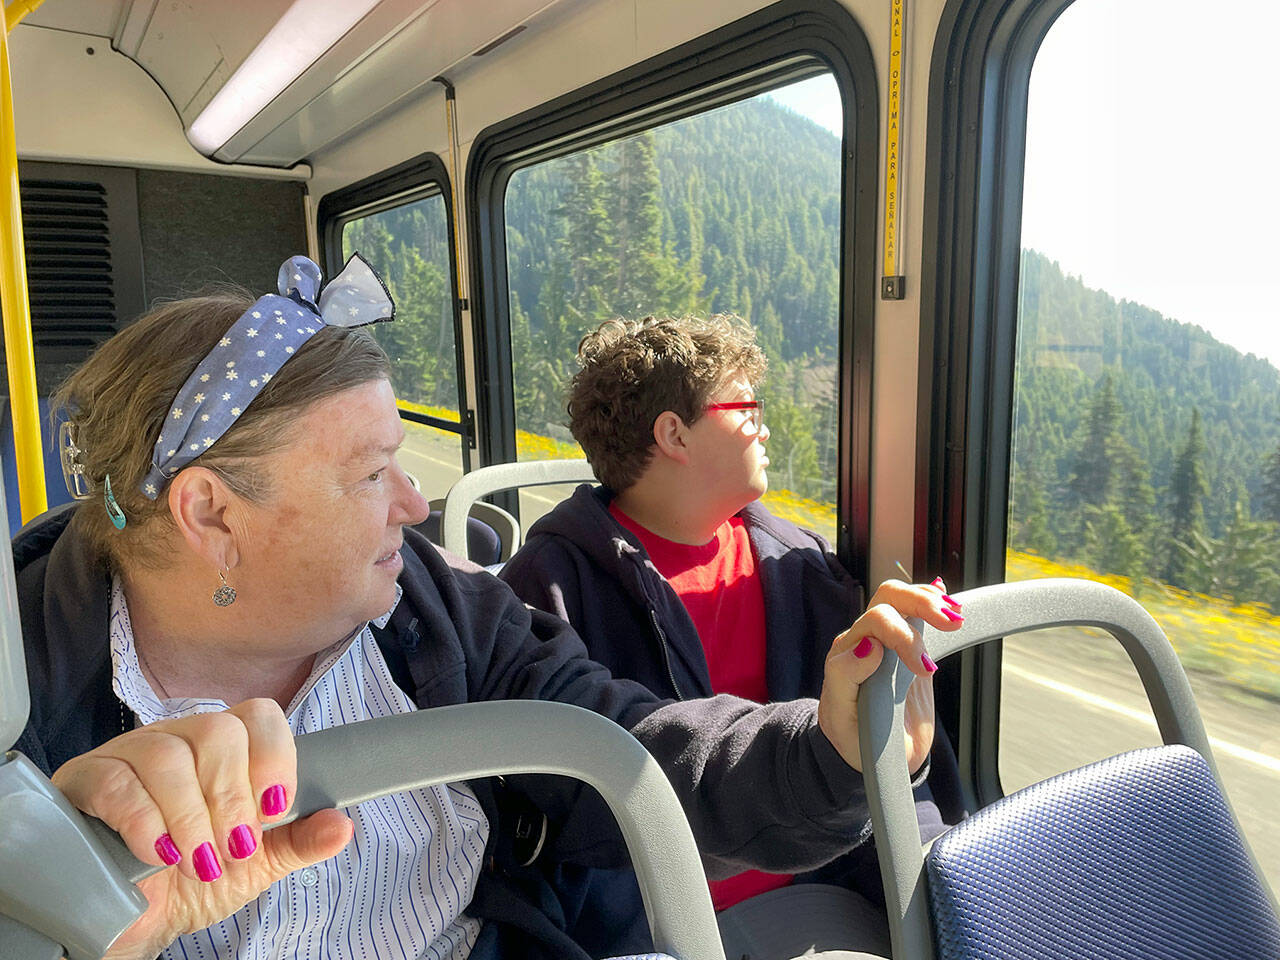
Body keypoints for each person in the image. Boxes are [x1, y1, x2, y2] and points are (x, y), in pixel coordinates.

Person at [12, 256, 959, 960]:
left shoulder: (437, 612)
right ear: (212, 513)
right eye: (374, 474)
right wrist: (58, 899)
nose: (417, 506)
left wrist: (826, 752)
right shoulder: (26, 699)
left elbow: (630, 743)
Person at [500, 315, 963, 957]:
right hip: (650, 924)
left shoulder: (801, 566)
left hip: (824, 885)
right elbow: (564, 808)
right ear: (674, 434)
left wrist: (943, 892)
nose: (764, 426)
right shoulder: (549, 587)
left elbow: (889, 775)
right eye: (747, 407)